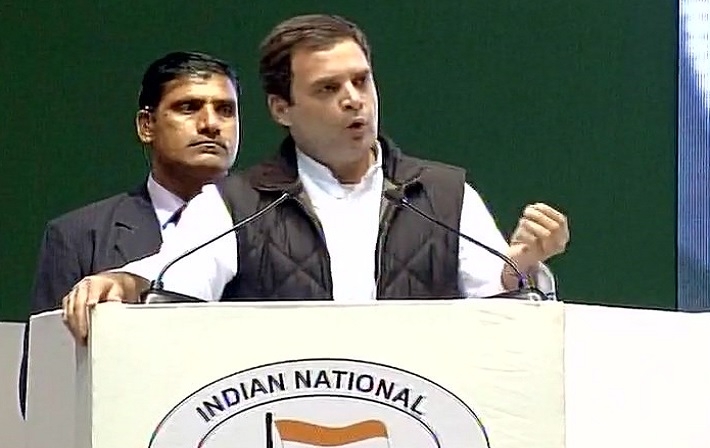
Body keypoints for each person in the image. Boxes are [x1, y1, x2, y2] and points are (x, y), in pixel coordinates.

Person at [60, 14, 570, 345]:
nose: (353, 99)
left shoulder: (444, 195)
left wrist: (521, 266)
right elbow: (173, 287)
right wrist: (124, 282)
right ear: (281, 108)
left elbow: (501, 307)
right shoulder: (236, 204)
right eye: (328, 88)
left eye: (361, 81)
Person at [19, 50, 241, 416]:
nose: (210, 124)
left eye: (225, 110)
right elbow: (44, 387)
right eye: (188, 108)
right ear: (146, 125)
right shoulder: (78, 235)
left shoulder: (272, 227)